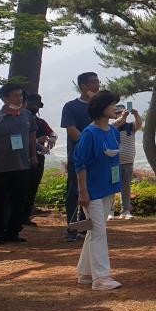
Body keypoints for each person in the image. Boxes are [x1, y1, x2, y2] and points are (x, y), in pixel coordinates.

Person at [73, 90, 123, 290]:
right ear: (101, 108)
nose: (115, 108)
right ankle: (101, 278)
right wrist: (83, 191)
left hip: (108, 188)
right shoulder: (89, 134)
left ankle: (86, 273)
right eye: (111, 104)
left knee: (95, 231)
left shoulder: (113, 131)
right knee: (98, 232)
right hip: (92, 190)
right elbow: (80, 164)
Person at [0, 82, 38, 244]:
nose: (19, 99)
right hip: (0, 168)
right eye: (15, 96)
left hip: (22, 166)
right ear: (4, 98)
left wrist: (33, 155)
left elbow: (32, 136)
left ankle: (13, 231)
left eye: (20, 96)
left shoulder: (27, 116)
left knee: (18, 200)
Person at [61, 71, 99, 241]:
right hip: (78, 157)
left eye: (98, 82)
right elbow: (71, 129)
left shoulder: (99, 108)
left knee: (93, 192)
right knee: (75, 192)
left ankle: (86, 228)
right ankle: (73, 229)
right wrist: (88, 145)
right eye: (93, 82)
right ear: (83, 86)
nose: (97, 85)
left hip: (98, 158)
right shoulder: (71, 106)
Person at [22, 93, 55, 225]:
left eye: (36, 105)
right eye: (32, 104)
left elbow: (52, 133)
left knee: (32, 188)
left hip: (38, 159)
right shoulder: (20, 121)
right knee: (22, 188)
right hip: (22, 159)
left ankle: (25, 216)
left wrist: (52, 138)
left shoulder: (40, 122)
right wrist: (38, 142)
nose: (34, 107)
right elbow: (23, 140)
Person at [109, 101, 141, 220]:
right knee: (112, 187)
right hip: (114, 162)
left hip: (128, 162)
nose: (121, 115)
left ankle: (125, 210)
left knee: (126, 187)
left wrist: (136, 115)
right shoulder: (111, 127)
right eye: (118, 113)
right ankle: (110, 211)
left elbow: (139, 124)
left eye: (122, 113)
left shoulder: (130, 126)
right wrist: (122, 118)